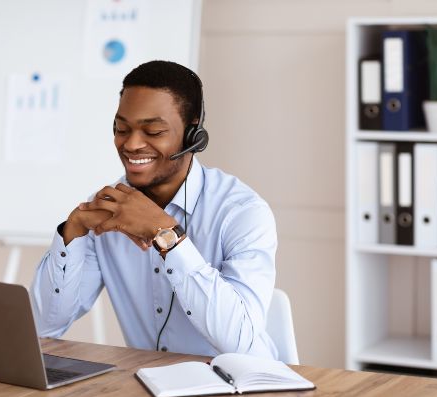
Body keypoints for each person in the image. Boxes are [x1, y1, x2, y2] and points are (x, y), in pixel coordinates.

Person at [31, 60, 278, 359]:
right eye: (121, 128)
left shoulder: (241, 213)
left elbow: (239, 342)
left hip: (238, 385)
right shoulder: (107, 212)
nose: (132, 144)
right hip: (147, 384)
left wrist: (166, 235)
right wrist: (72, 233)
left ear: (193, 134)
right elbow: (44, 327)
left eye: (153, 131)